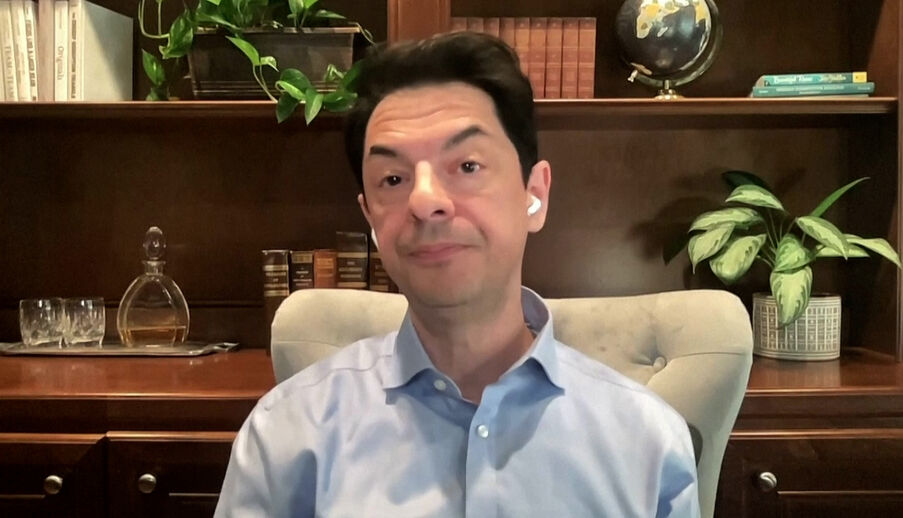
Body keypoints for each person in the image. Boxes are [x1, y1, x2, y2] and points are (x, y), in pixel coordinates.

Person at [215, 31, 699, 517]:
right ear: (371, 219)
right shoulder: (286, 436)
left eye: (467, 165)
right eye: (393, 179)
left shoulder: (647, 445)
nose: (425, 201)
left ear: (534, 195)